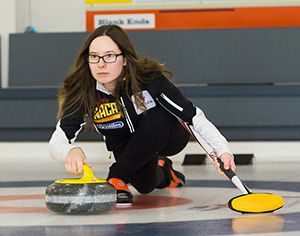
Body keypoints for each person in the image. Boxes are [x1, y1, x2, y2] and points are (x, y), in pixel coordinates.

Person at [49, 24, 236, 205]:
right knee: (145, 185)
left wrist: (222, 151)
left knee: (158, 115)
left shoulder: (149, 79)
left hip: (169, 134)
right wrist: (70, 151)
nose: (101, 64)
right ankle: (164, 171)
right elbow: (57, 141)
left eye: (110, 56)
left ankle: (116, 176)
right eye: (94, 57)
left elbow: (193, 116)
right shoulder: (83, 91)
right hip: (129, 145)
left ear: (125, 59)